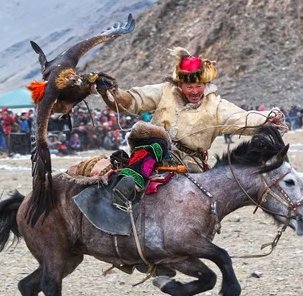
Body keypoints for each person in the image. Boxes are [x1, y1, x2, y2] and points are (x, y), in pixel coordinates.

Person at [98, 47, 286, 204]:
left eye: (199, 86)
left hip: (188, 163)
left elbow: (241, 118)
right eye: (189, 87)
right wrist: (112, 91)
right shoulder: (165, 91)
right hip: (151, 151)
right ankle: (129, 184)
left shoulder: (216, 106)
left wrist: (268, 117)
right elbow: (132, 100)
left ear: (205, 84)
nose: (194, 91)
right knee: (157, 142)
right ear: (180, 84)